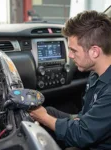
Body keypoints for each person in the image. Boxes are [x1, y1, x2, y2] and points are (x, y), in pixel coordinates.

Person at [30, 10, 111, 150]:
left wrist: (44, 118)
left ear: (94, 52)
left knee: (46, 117)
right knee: (49, 111)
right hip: (90, 129)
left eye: (73, 50)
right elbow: (85, 116)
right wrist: (47, 116)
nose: (70, 56)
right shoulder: (95, 73)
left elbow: (82, 135)